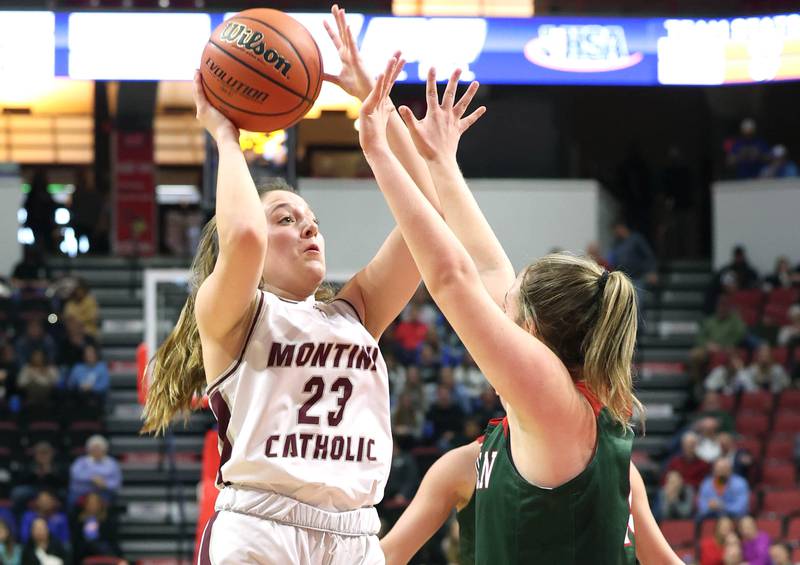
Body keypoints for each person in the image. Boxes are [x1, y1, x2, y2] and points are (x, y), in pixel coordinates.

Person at [141, 7, 443, 563]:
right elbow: (244, 239)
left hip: (355, 534)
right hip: (261, 528)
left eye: (311, 221)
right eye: (284, 218)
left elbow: (428, 221)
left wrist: (371, 104)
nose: (307, 226)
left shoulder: (354, 312)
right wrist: (226, 138)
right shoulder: (231, 313)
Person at [360, 61, 679, 562]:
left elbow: (452, 279)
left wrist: (378, 154)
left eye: (509, 300)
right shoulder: (551, 431)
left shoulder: (553, 402)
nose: (499, 297)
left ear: (531, 330)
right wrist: (441, 160)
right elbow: (485, 264)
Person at [68, 435, 122, 506]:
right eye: (94, 448)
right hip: (81, 492)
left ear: (105, 449)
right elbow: (75, 475)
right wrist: (92, 478)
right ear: (89, 449)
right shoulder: (81, 461)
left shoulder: (112, 463)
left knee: (99, 501)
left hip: (103, 492)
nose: (97, 451)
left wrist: (105, 484)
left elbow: (117, 482)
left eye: (99, 448)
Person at [70, 492, 122, 563]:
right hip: (83, 551)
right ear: (85, 505)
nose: (92, 506)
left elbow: (111, 539)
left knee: (102, 546)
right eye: (90, 503)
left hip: (102, 548)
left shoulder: (107, 520)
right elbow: (76, 540)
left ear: (100, 504)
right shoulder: (78, 521)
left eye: (95, 503)